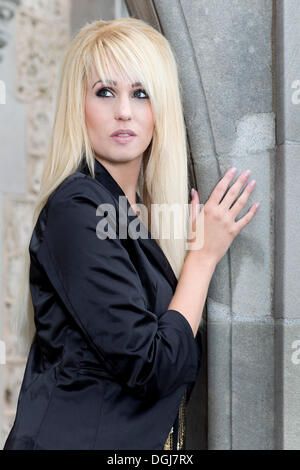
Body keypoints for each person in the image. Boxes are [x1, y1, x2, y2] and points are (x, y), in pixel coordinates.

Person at [3, 17, 259, 450]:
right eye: (105, 92)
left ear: (161, 111)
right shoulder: (77, 210)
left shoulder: (131, 214)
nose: (124, 110)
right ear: (77, 106)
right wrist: (203, 257)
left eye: (141, 93)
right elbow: (152, 367)